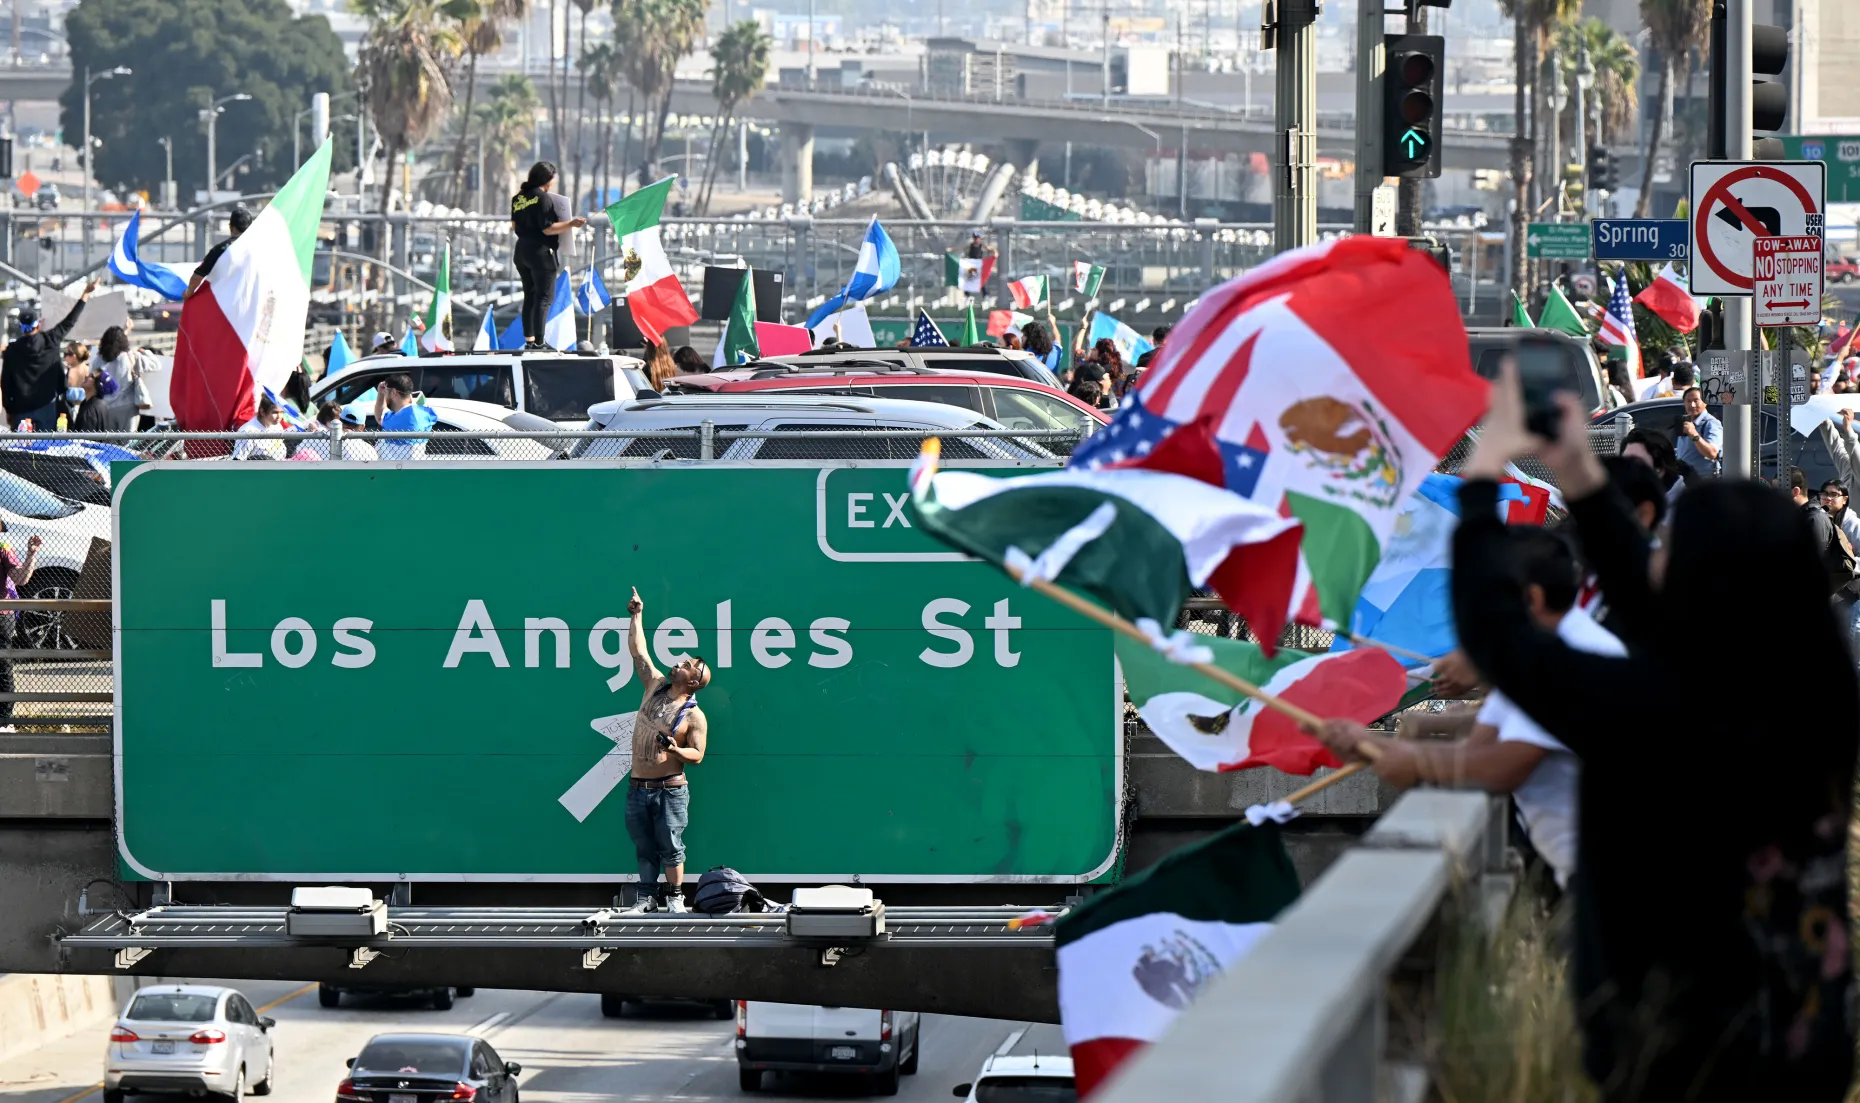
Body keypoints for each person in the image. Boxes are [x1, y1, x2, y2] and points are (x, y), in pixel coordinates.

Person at [1391, 360, 1859, 1101]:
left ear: (1708, 586)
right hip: (1807, 1038)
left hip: (1684, 1060)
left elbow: (1499, 632)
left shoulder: (1657, 708)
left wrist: (1482, 471)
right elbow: (1650, 606)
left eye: (1671, 548)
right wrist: (1577, 470)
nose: (1656, 558)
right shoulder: (1818, 693)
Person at [1316, 528, 1621, 892]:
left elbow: (1502, 767)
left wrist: (1406, 757)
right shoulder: (1533, 651)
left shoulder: (1574, 657)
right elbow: (1479, 746)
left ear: (1532, 599)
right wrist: (1375, 746)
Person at [622, 586, 711, 913]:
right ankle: (646, 899)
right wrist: (636, 615)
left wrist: (675, 748)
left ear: (694, 680)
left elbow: (697, 755)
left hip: (669, 791)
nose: (678, 662)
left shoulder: (694, 716)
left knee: (672, 847)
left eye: (687, 664)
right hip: (637, 788)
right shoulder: (654, 685)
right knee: (644, 848)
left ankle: (675, 899)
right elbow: (638, 651)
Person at [509, 161, 585, 350]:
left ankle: (529, 340)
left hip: (521, 251)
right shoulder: (543, 198)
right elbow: (548, 229)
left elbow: (514, 227)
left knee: (529, 296)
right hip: (541, 253)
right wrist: (571, 224)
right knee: (544, 297)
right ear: (547, 178)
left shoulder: (518, 198)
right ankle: (540, 342)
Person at [1, 280, 95, 430]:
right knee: (44, 450)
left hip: (20, 408)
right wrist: (85, 294)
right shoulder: (50, 339)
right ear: (38, 325)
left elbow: (6, 383)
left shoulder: (12, 350)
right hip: (46, 406)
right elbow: (70, 321)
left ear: (21, 328)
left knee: (19, 451)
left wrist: (9, 409)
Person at [0, 529, 42, 722]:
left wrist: (31, 554)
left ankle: (4, 718)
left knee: (2, 663)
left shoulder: (3, 549)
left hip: (2, 613)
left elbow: (21, 578)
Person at [92, 326, 155, 427]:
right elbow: (156, 364)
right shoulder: (131, 356)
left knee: (109, 442)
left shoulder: (98, 359)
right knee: (128, 441)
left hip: (105, 407)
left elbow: (92, 380)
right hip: (127, 407)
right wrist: (145, 352)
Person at [187, 206, 252, 297]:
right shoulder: (261, 250)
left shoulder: (219, 250)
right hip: (255, 306)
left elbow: (197, 277)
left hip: (226, 304)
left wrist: (189, 293)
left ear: (231, 227)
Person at [373, 373, 437, 460]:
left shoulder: (397, 420)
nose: (385, 395)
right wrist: (381, 393)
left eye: (386, 392)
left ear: (394, 392)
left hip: (397, 470)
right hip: (417, 468)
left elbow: (379, 417)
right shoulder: (425, 413)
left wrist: (381, 394)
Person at [66, 356, 130, 433]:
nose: (86, 376)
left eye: (91, 376)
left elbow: (84, 439)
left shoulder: (91, 410)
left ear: (97, 385)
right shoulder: (97, 403)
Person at [1673, 387, 1721, 477]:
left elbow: (1712, 453)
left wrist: (1694, 434)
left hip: (1704, 481)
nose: (1692, 405)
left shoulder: (1711, 423)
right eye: (1688, 401)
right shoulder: (1686, 422)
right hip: (1686, 479)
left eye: (1696, 400)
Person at [232, 394, 285, 460]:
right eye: (275, 412)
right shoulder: (247, 432)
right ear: (262, 411)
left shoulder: (277, 426)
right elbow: (237, 461)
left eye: (282, 412)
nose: (279, 416)